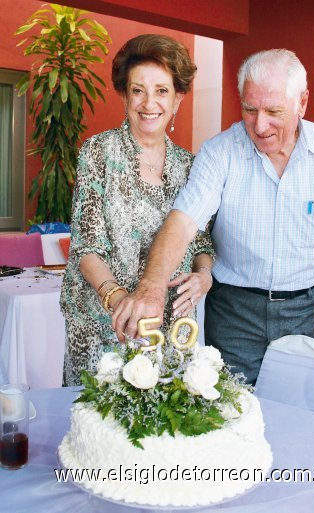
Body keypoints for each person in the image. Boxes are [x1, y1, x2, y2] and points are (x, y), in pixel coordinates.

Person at [112, 49, 314, 385]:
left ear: (302, 103)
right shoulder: (220, 152)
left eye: (274, 111)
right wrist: (151, 286)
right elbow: (183, 221)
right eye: (250, 109)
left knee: (307, 420)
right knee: (231, 415)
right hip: (234, 313)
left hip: (310, 312)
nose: (260, 125)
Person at [60, 34, 214, 386]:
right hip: (105, 327)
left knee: (165, 430)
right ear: (124, 95)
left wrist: (203, 276)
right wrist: (121, 302)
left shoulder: (191, 167)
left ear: (178, 99)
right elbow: (86, 248)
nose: (149, 103)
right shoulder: (98, 153)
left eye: (162, 90)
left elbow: (203, 244)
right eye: (138, 90)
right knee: (101, 429)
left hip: (172, 329)